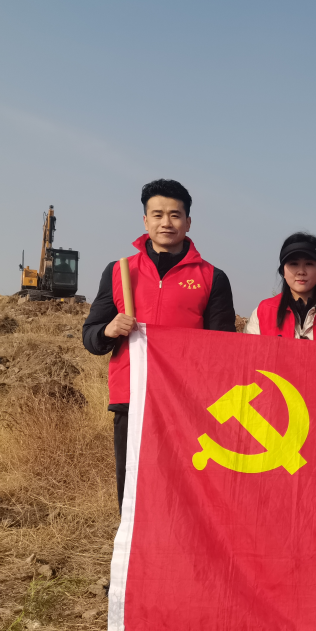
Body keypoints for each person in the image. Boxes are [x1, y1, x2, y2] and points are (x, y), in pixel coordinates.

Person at [82, 179, 236, 516]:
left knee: (184, 489)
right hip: (132, 398)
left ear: (188, 222)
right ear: (145, 220)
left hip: (187, 402)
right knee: (132, 488)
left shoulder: (212, 278)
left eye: (175, 215)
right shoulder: (119, 271)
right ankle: (134, 548)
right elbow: (91, 337)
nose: (166, 222)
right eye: (158, 214)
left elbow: (224, 349)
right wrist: (109, 330)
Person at [245, 233, 316, 343]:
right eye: (293, 264)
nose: (301, 271)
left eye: (309, 264)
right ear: (283, 271)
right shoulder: (263, 312)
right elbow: (249, 353)